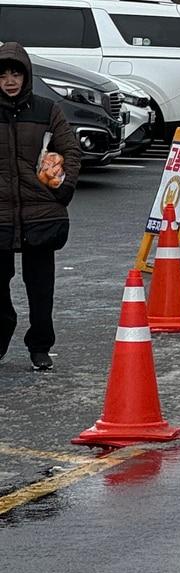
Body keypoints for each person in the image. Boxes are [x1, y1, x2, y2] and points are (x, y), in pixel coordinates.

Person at [0, 43, 80, 370]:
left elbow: (70, 150)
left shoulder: (47, 110)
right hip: (1, 215)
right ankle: (2, 334)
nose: (9, 80)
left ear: (26, 75)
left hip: (41, 215)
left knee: (40, 288)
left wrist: (63, 190)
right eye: (3, 74)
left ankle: (40, 346)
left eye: (15, 73)